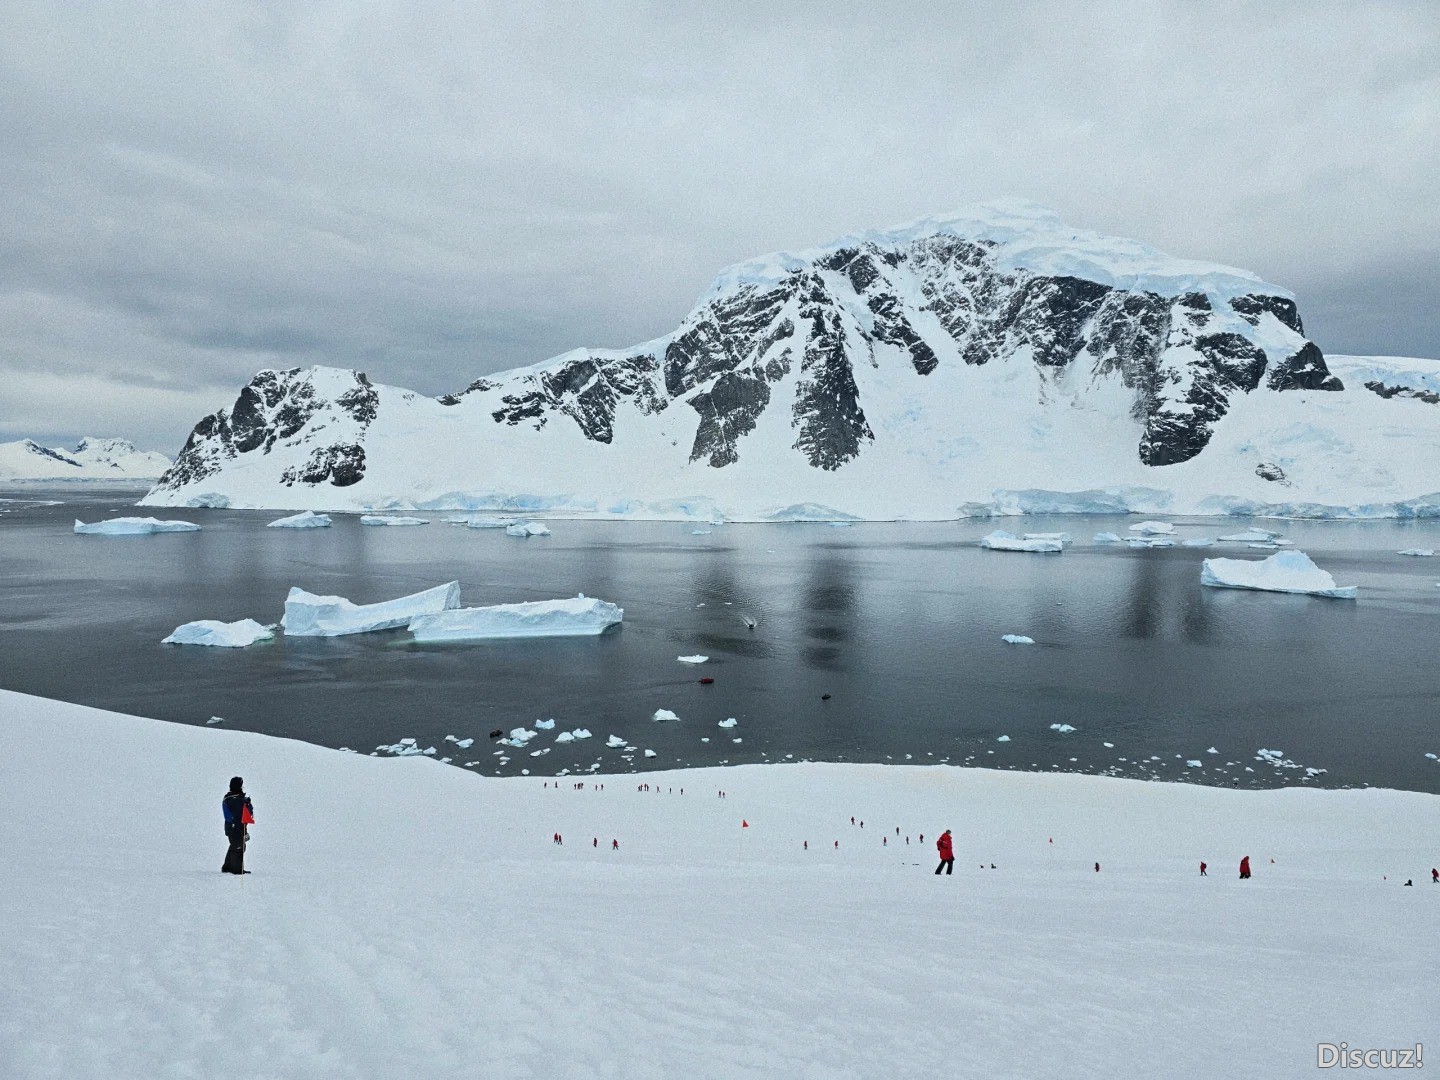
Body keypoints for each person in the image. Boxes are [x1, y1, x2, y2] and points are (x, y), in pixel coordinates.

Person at [221, 776, 254, 875]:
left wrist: (246, 802)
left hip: (233, 827)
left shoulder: (233, 798)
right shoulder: (234, 799)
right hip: (235, 827)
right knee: (238, 847)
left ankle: (227, 867)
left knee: (235, 845)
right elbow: (238, 816)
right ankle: (236, 869)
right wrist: (243, 830)